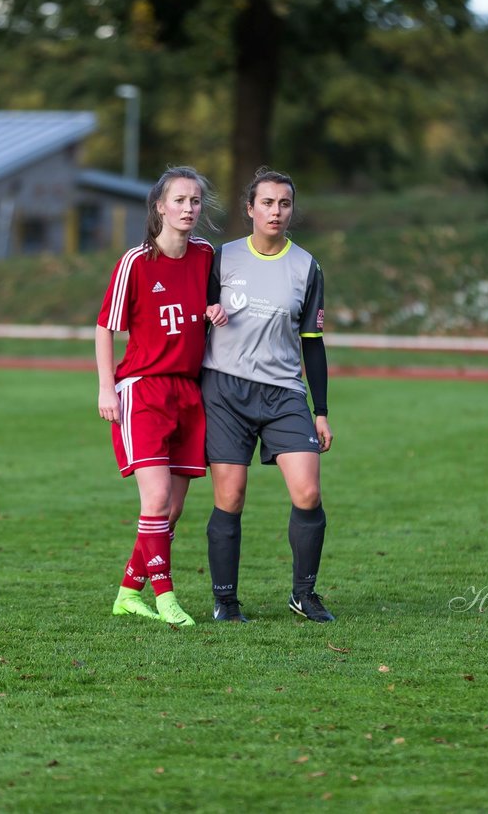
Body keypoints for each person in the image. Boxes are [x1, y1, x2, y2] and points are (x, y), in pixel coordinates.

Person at [96, 166, 228, 626]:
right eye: (179, 200)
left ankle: (128, 593)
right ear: (159, 207)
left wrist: (217, 311)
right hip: (142, 390)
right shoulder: (135, 261)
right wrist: (105, 388)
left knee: (169, 511)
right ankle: (167, 597)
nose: (189, 208)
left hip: (189, 394)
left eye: (195, 201)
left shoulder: (208, 255)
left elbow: (216, 304)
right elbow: (104, 328)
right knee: (153, 503)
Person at [202, 167, 334, 623]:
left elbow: (312, 343)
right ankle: (226, 601)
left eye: (284, 203)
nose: (276, 211)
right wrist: (207, 311)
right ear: (250, 209)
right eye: (267, 203)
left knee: (308, 491)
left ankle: (304, 594)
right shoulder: (221, 258)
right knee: (231, 497)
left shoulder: (306, 266)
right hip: (225, 390)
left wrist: (321, 411)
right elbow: (192, 312)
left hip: (284, 393)